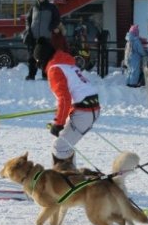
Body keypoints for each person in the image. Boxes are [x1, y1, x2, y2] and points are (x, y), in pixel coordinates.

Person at [33, 37, 100, 167]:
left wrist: (58, 124)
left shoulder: (54, 70)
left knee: (60, 147)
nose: (38, 66)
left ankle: (65, 182)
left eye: (38, 62)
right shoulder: (66, 63)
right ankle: (70, 178)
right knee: (65, 145)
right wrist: (60, 119)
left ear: (42, 59)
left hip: (85, 112)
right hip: (89, 107)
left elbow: (64, 99)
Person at [24, 0, 60, 80]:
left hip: (45, 37)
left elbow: (57, 19)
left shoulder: (52, 7)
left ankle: (45, 74)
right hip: (34, 36)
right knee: (32, 56)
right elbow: (28, 20)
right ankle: (31, 74)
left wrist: (50, 28)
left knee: (46, 56)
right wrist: (29, 29)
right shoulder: (33, 7)